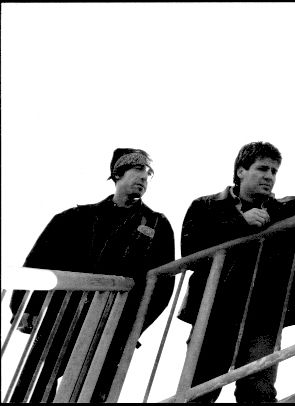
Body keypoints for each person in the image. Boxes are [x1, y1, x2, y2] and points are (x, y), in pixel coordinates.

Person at [177, 141, 295, 403]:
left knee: (258, 391)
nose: (269, 176)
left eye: (274, 171)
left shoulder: (285, 209)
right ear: (240, 171)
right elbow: (190, 250)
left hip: (264, 315)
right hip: (215, 314)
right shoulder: (206, 206)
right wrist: (239, 224)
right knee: (198, 392)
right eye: (262, 169)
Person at [9, 148, 175, 402]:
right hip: (62, 318)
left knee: (94, 394)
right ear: (117, 174)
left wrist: (135, 327)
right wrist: (25, 307)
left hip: (114, 325)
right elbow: (38, 262)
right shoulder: (74, 218)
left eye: (149, 173)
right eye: (138, 169)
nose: (144, 177)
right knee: (34, 387)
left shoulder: (156, 224)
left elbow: (163, 285)